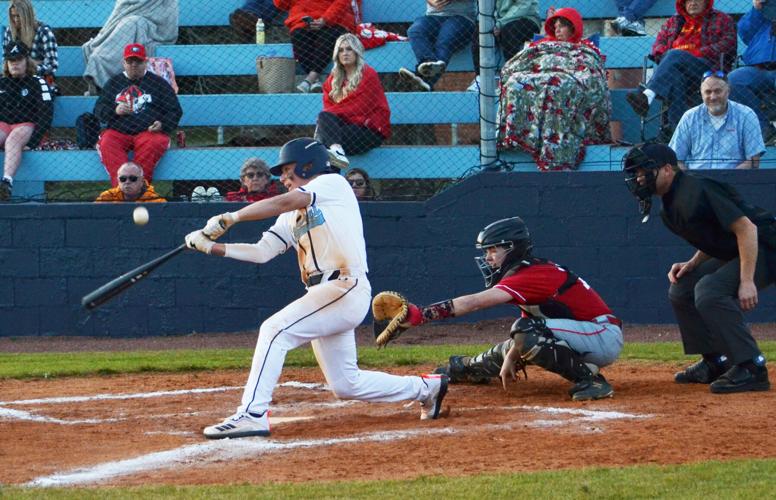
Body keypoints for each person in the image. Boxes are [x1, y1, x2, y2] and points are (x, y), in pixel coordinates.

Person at [184, 137, 449, 439]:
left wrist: (232, 216)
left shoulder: (332, 184)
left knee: (274, 331)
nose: (282, 178)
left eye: (287, 170)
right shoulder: (290, 216)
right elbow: (262, 251)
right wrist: (210, 248)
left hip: (345, 285)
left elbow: (287, 200)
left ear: (308, 166)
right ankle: (428, 387)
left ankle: (252, 414)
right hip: (323, 294)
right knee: (346, 384)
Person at [382, 217, 622, 400]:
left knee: (524, 330)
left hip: (602, 335)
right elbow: (532, 325)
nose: (488, 257)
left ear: (512, 248)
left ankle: (591, 380)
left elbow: (474, 302)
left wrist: (420, 315)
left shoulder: (532, 273)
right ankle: (466, 370)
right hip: (583, 334)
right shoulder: (522, 273)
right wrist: (510, 357)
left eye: (493, 249)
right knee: (515, 340)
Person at [623, 143, 774, 393]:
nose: (639, 178)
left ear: (668, 169)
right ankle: (715, 361)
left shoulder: (697, 189)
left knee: (709, 290)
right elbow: (715, 237)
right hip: (743, 249)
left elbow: (747, 229)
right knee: (683, 287)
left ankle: (751, 366)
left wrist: (747, 281)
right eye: (637, 173)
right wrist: (693, 263)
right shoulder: (670, 207)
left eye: (645, 171)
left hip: (767, 248)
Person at [498, 7, 611, 170]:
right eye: (555, 26)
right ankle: (519, 138)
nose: (557, 30)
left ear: (573, 27)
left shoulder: (585, 49)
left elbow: (590, 73)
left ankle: (555, 150)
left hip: (567, 78)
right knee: (516, 81)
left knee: (557, 85)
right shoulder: (542, 45)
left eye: (562, 26)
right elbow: (518, 64)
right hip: (542, 77)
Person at [625, 0, 737, 139]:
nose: (692, 3)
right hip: (675, 68)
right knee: (676, 76)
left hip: (707, 69)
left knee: (674, 55)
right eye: (688, 0)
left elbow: (728, 44)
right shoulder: (673, 21)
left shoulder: (722, 19)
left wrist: (698, 52)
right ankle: (678, 131)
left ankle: (647, 95)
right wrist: (668, 55)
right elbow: (658, 46)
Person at [94, 43, 182, 186]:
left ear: (146, 62)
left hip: (148, 131)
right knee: (107, 142)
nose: (134, 65)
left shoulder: (158, 83)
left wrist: (162, 124)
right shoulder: (113, 83)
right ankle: (121, 190)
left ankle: (140, 188)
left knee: (153, 143)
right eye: (130, 61)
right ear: (124, 63)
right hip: (119, 132)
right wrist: (114, 111)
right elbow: (99, 109)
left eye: (138, 61)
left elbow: (175, 110)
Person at [314, 33, 391, 170]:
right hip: (342, 132)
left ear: (357, 52)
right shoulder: (333, 79)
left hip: (368, 131)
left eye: (349, 49)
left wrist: (335, 118)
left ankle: (330, 184)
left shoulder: (368, 74)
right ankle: (336, 152)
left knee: (323, 141)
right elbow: (329, 111)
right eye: (341, 50)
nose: (345, 53)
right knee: (325, 121)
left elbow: (359, 107)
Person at [669, 71, 765, 170]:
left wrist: (725, 181)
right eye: (708, 92)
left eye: (718, 91)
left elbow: (753, 161)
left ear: (728, 91)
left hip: (733, 182)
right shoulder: (689, 117)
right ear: (701, 93)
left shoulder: (747, 115)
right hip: (698, 182)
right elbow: (675, 159)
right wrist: (690, 181)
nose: (713, 97)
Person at [82, 0, 178, 94]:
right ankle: (105, 74)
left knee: (132, 23)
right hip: (128, 22)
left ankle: (103, 67)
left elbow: (167, 12)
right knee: (130, 23)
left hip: (153, 24)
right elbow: (120, 10)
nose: (134, 64)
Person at [0, 41, 52, 202]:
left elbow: (46, 113)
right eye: (11, 60)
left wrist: (35, 141)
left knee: (13, 140)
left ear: (26, 61)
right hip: (4, 124)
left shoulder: (37, 82)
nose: (14, 64)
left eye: (18, 60)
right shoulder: (2, 82)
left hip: (26, 125)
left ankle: (6, 183)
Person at [273, 0, 362, 93]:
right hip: (301, 19)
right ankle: (315, 81)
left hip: (335, 19)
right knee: (299, 35)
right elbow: (281, 5)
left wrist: (325, 19)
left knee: (327, 37)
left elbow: (341, 3)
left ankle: (310, 79)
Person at [398, 0, 475, 91]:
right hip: (432, 17)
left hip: (462, 18)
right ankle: (428, 62)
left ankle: (425, 80)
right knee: (415, 31)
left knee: (445, 38)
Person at [728, 0, 776, 144]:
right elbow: (745, 33)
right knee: (733, 80)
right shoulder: (763, 18)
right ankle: (763, 127)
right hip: (758, 69)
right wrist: (756, 9)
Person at [467, 0, 540, 91]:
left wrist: (500, 24)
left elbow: (523, 5)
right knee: (480, 32)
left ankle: (514, 77)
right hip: (500, 21)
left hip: (526, 18)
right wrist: (492, 23)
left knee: (509, 31)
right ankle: (481, 78)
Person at [3, 0, 58, 84]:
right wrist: (30, 63)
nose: (16, 19)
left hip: (39, 80)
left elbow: (52, 65)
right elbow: (6, 61)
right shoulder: (9, 31)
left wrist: (28, 67)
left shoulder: (43, 31)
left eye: (19, 16)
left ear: (27, 15)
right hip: (14, 80)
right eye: (13, 16)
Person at [95, 161, 166, 202]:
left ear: (141, 181)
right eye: (123, 179)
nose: (127, 182)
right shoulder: (107, 197)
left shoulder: (155, 200)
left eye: (133, 178)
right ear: (118, 180)